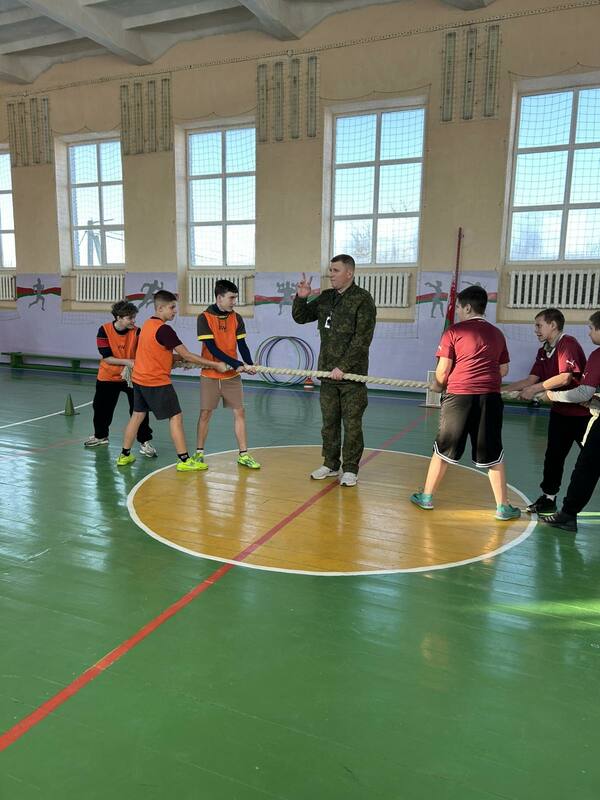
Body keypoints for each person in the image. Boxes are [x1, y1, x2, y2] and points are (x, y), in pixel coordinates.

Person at [411, 285, 521, 521]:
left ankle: (426, 497)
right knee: (493, 452)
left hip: (459, 397)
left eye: (459, 307)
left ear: (468, 308)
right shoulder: (497, 334)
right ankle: (503, 507)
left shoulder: (453, 332)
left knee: (443, 448)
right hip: (490, 399)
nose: (458, 312)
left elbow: (443, 371)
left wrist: (437, 386)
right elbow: (503, 369)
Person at [117, 290, 227, 471]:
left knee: (137, 416)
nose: (175, 311)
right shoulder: (164, 330)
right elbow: (187, 354)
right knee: (176, 417)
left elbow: (156, 352)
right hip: (156, 382)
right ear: (160, 308)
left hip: (139, 380)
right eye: (172, 307)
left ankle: (124, 455)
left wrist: (178, 360)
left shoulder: (148, 325)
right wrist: (215, 364)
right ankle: (184, 460)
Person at [292, 254, 376, 487]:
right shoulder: (326, 297)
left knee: (352, 425)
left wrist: (344, 367)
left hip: (351, 376)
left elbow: (362, 339)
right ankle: (330, 464)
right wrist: (301, 298)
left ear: (349, 273)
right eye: (330, 270)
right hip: (327, 375)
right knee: (329, 423)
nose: (331, 275)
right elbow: (301, 318)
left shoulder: (362, 299)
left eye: (335, 270)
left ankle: (350, 469)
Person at [504, 308, 589, 515]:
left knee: (592, 457)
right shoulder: (543, 351)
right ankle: (549, 499)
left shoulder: (567, 344)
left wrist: (534, 389)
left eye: (539, 325)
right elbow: (529, 380)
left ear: (553, 325)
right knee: (553, 457)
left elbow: (565, 377)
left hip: (583, 415)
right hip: (560, 413)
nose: (536, 330)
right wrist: (498, 390)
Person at [540, 311, 600, 533]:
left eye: (591, 328)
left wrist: (552, 395)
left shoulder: (596, 354)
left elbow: (583, 391)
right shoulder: (544, 350)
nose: (589, 333)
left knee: (586, 467)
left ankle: (567, 515)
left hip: (586, 420)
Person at [193, 279, 260, 470]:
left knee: (240, 412)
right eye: (231, 298)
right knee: (205, 413)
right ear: (219, 297)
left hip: (231, 376)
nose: (234, 302)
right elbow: (212, 348)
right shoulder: (204, 318)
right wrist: (237, 363)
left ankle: (243, 454)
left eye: (235, 298)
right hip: (210, 375)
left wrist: (248, 363)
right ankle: (199, 453)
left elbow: (242, 345)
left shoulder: (236, 318)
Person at [84, 300, 155, 455]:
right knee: (101, 408)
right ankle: (101, 436)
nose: (133, 321)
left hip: (132, 377)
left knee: (139, 410)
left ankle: (144, 442)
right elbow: (107, 357)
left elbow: (146, 351)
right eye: (130, 318)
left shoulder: (137, 332)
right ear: (118, 318)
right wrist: (128, 362)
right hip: (108, 376)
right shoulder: (104, 330)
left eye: (134, 317)